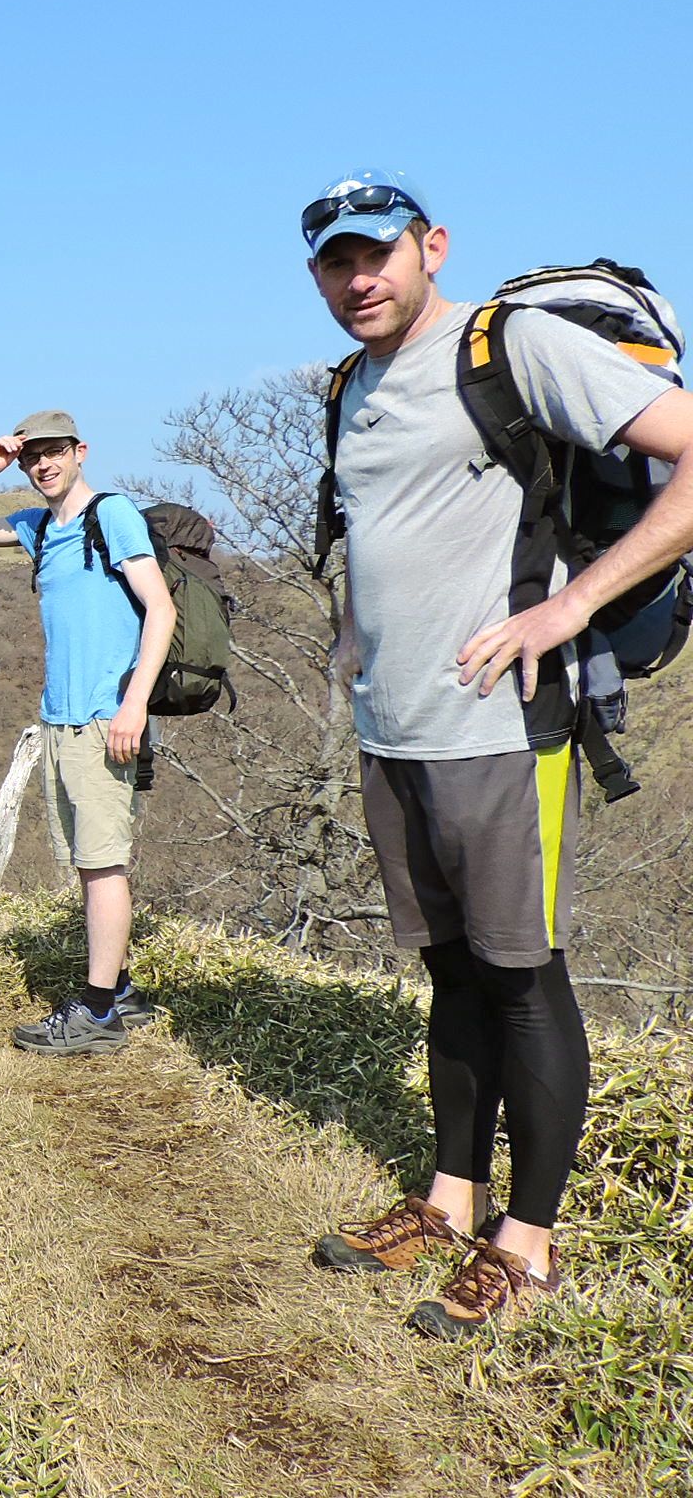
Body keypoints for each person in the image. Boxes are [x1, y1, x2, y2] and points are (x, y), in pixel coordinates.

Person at [300, 170, 693, 1337]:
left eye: (376, 253)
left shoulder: (510, 347)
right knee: (453, 972)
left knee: (523, 977)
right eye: (333, 261)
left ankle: (526, 1245)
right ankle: (448, 1197)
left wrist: (569, 610)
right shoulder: (349, 384)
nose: (357, 278)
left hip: (502, 729)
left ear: (431, 246)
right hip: (397, 729)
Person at [0, 411, 177, 1054]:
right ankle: (118, 990)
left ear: (80, 451)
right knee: (85, 860)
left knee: (103, 865)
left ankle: (97, 1014)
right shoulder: (40, 527)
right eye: (31, 456)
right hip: (60, 718)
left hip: (106, 716)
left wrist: (134, 706)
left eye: (55, 452)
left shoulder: (111, 515)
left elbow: (161, 608)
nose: (43, 464)